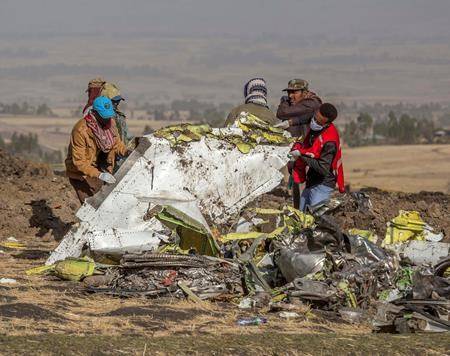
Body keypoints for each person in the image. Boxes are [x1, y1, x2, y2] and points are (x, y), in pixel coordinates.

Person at [66, 96, 129, 203]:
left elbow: (116, 144)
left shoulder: (110, 123)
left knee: (106, 202)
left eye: (109, 116)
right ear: (95, 113)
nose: (107, 119)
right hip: (81, 174)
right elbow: (79, 162)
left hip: (100, 167)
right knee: (92, 207)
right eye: (104, 116)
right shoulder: (81, 130)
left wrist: (127, 152)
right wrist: (100, 175)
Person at [289, 103, 345, 212]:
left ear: (327, 123)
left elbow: (323, 168)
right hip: (312, 182)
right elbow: (306, 118)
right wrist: (289, 123)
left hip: (322, 185)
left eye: (318, 122)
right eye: (315, 118)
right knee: (301, 216)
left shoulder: (329, 141)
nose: (314, 122)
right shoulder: (316, 123)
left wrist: (301, 155)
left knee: (316, 220)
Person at [276, 79, 322, 209]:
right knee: (298, 194)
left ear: (304, 92)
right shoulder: (298, 107)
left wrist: (283, 101)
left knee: (310, 195)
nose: (291, 96)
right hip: (298, 157)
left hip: (311, 158)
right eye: (289, 92)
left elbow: (282, 113)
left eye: (294, 92)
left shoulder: (312, 103)